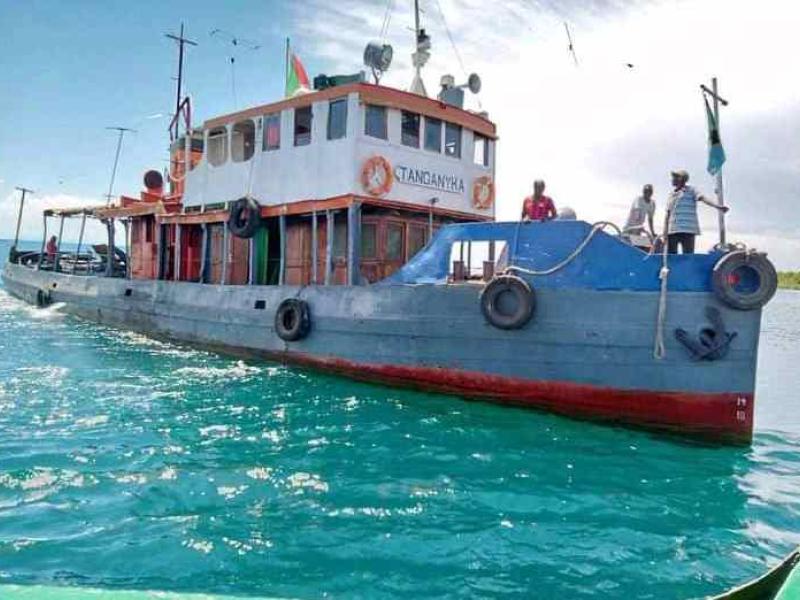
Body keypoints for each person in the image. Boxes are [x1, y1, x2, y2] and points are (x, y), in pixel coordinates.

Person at [664, 170, 728, 254]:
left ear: (680, 179)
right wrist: (664, 232)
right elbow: (667, 215)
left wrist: (717, 206)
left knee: (688, 256)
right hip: (673, 230)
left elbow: (703, 198)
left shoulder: (691, 190)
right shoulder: (671, 195)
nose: (672, 179)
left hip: (688, 229)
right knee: (671, 256)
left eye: (675, 177)